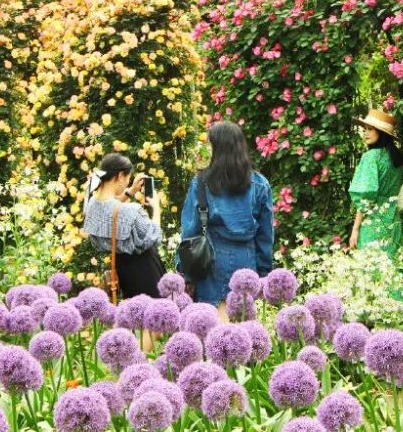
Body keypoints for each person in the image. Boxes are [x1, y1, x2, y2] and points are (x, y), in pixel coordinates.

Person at [178, 121, 274, 306]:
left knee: (212, 326)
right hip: (247, 261)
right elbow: (265, 235)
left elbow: (190, 231)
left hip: (211, 263)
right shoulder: (260, 184)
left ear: (217, 148)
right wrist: (263, 272)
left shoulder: (201, 182)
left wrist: (185, 272)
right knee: (242, 323)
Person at [82, 153, 165, 299]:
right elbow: (154, 235)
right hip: (146, 271)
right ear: (120, 176)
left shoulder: (91, 205)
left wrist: (130, 191)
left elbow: (110, 209)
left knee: (132, 316)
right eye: (128, 178)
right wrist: (156, 208)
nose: (128, 182)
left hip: (122, 271)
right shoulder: (131, 211)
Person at [348, 108, 403, 258]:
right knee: (393, 269)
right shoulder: (397, 160)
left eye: (370, 129)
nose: (365, 133)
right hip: (393, 223)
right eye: (364, 129)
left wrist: (355, 229)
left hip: (373, 223)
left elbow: (366, 197)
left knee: (371, 273)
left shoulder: (370, 157)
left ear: (381, 133)